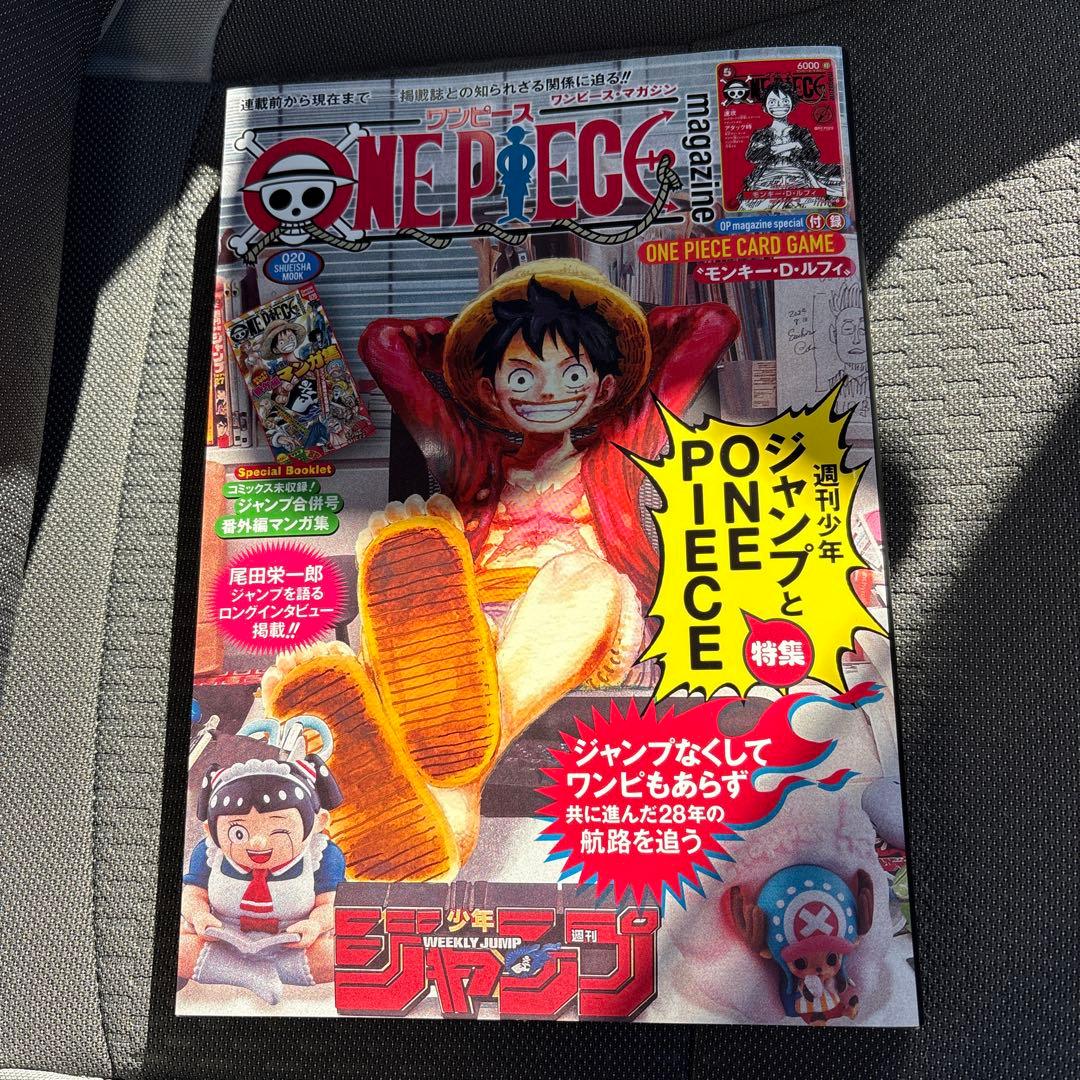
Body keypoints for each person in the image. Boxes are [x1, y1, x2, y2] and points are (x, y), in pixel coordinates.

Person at [259, 259, 740, 881]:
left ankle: (449, 775)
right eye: (520, 375)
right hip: (459, 637)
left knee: (581, 577)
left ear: (604, 389)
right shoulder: (470, 457)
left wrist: (608, 322)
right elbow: (384, 343)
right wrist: (474, 334)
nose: (548, 391)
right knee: (415, 585)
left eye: (572, 373)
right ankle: (443, 801)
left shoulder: (622, 446)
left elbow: (713, 322)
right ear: (489, 392)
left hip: (574, 631)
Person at [178, 754, 345, 1005]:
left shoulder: (323, 855)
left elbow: (330, 904)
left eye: (278, 830)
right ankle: (246, 974)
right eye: (239, 832)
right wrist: (200, 916)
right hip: (224, 940)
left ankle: (233, 970)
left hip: (292, 945)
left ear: (318, 823)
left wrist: (315, 925)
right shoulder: (209, 852)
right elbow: (193, 894)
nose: (257, 842)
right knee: (176, 948)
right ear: (210, 831)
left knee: (338, 955)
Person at [740, 80, 842, 211]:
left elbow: (813, 155)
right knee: (752, 208)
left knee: (815, 206)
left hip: (798, 175)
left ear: (792, 105)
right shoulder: (761, 134)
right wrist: (792, 145)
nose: (779, 105)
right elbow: (752, 156)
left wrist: (781, 150)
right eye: (772, 102)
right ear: (765, 107)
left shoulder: (801, 132)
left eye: (785, 101)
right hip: (767, 176)